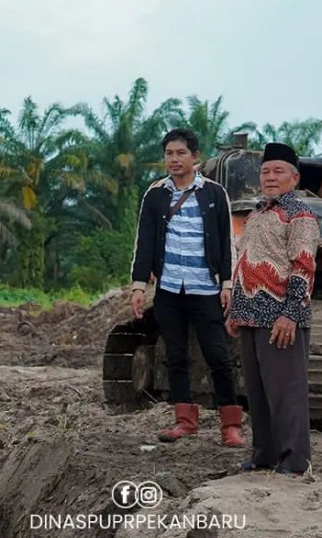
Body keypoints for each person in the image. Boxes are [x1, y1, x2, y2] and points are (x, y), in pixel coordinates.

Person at [129, 128, 244, 447]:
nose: (174, 159)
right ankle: (185, 422)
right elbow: (145, 242)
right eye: (169, 154)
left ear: (195, 157)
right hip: (168, 290)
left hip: (205, 289)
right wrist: (139, 286)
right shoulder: (155, 194)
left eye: (180, 153)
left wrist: (227, 283)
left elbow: (225, 242)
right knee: (175, 356)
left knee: (217, 357)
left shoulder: (213, 193)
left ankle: (230, 426)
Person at [224, 142, 321, 476]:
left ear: (294, 178)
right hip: (251, 313)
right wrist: (235, 309)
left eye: (278, 171)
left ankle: (295, 462)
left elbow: (303, 266)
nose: (270, 177)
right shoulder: (256, 214)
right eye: (265, 171)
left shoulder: (300, 216)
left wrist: (290, 313)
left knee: (286, 392)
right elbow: (243, 263)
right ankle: (264, 455)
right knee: (259, 392)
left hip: (282, 316)